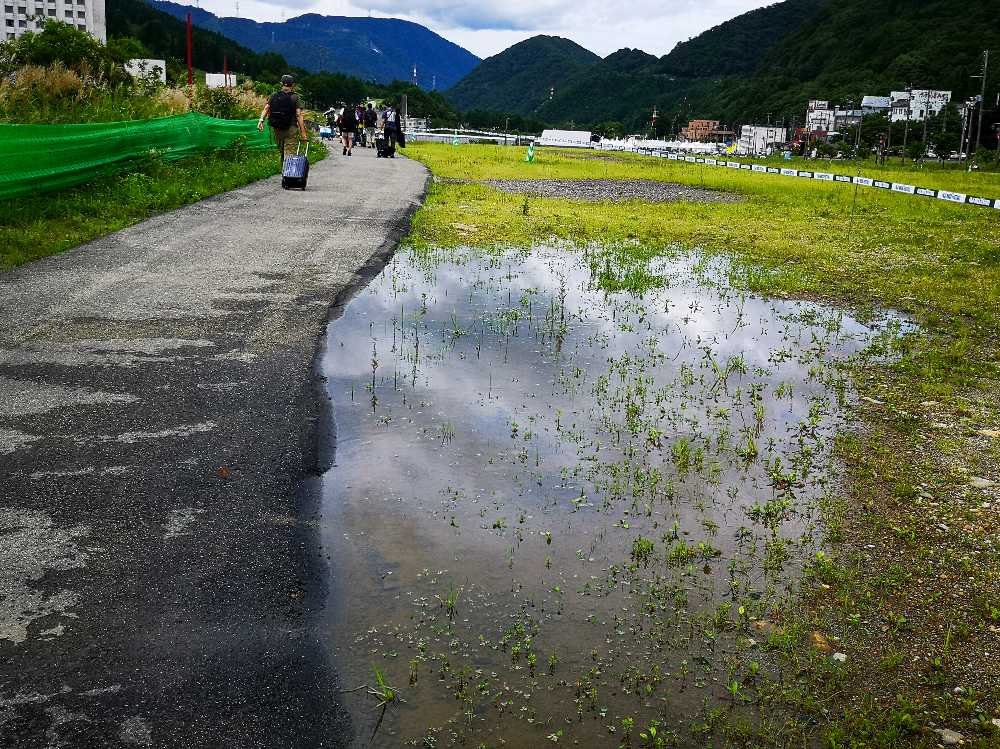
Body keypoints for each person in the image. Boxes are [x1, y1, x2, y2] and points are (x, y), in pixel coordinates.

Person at [258, 75, 307, 165]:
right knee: (289, 153)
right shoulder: (295, 97)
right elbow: (298, 115)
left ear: (281, 84)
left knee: (282, 151)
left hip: (277, 128)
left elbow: (266, 108)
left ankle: (283, 171)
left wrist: (261, 120)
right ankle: (288, 174)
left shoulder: (274, 95)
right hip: (291, 128)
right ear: (292, 85)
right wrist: (303, 133)